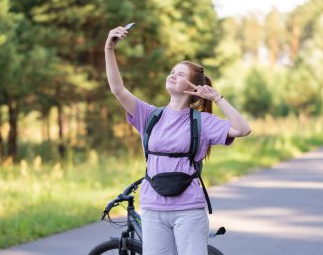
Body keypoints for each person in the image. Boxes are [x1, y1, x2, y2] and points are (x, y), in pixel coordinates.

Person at [105, 25, 251, 255]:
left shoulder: (202, 121)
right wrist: (109, 48)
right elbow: (117, 89)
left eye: (180, 74)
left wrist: (217, 98)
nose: (172, 75)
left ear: (192, 86)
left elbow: (242, 129)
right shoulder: (149, 115)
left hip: (189, 210)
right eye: (172, 71)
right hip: (153, 208)